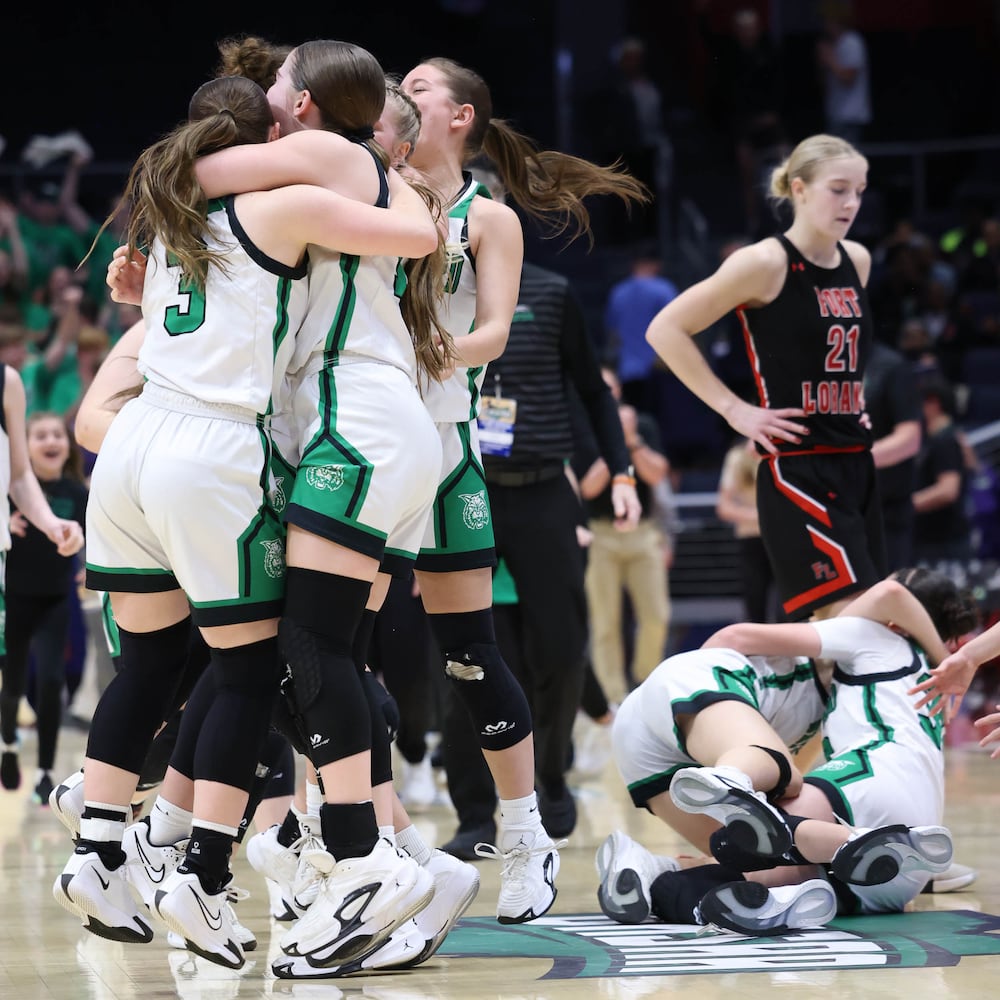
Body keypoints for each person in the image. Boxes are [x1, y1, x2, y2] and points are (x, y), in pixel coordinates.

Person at [52, 68, 443, 972]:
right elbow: (418, 235)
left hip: (139, 443)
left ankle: (110, 848)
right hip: (220, 445)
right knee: (257, 663)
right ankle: (214, 863)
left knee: (162, 662)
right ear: (267, 139)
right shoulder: (291, 203)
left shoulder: (176, 212)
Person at [596, 568, 978, 933]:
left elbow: (892, 595)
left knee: (753, 856)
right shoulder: (889, 657)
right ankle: (760, 794)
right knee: (781, 781)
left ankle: (652, 875)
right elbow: (891, 596)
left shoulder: (871, 640)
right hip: (699, 689)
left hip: (648, 740)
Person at [646, 133, 884, 622]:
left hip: (856, 459)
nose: (852, 203)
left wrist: (852, 398)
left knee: (863, 625)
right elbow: (664, 329)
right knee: (847, 620)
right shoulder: (764, 262)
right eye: (838, 189)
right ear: (799, 188)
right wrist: (734, 408)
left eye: (859, 191)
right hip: (798, 465)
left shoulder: (857, 260)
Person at [0, 410, 86, 798]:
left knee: (51, 682)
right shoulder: (9, 492)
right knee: (13, 685)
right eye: (41, 435)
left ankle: (46, 773)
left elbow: (93, 535)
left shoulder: (77, 493)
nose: (51, 441)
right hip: (14, 600)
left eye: (57, 434)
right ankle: (9, 749)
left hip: (55, 599)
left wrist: (89, 566)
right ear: (24, 446)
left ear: (67, 446)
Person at [580, 366, 671, 706]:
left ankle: (648, 685)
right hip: (600, 534)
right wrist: (612, 442)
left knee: (656, 616)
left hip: (643, 532)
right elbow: (588, 489)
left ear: (618, 390)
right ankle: (613, 698)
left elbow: (657, 473)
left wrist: (630, 441)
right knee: (604, 622)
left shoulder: (643, 425)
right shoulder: (584, 427)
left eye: (611, 386)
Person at [864, 339, 922, 569]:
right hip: (832, 505)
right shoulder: (817, 363)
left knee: (885, 588)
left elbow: (910, 439)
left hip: (884, 509)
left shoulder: (890, 366)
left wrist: (849, 459)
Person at [603, 246, 678, 415]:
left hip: (627, 369)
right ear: (655, 265)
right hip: (658, 368)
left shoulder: (618, 292)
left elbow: (612, 333)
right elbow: (677, 326)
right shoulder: (663, 289)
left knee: (633, 416)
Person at [912, 374, 973, 564]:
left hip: (943, 544)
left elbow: (948, 490)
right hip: (934, 540)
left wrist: (904, 506)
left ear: (933, 403)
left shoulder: (945, 440)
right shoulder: (944, 437)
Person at [716, 436, 777, 622]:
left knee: (790, 609)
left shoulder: (784, 453)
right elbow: (723, 507)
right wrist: (761, 517)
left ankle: (793, 650)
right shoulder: (737, 457)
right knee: (755, 608)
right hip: (751, 539)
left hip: (784, 539)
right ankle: (759, 652)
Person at [816, 0, 872, 145]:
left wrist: (830, 60)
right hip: (834, 114)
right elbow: (824, 84)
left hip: (850, 116)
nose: (825, 24)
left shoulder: (852, 42)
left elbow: (848, 78)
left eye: (827, 20)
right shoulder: (833, 44)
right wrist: (822, 64)